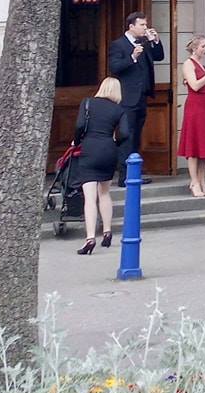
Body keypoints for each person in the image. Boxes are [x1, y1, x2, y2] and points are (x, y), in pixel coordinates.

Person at [71, 75, 129, 255]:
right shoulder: (118, 110)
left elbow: (80, 125)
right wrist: (114, 143)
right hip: (108, 150)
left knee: (90, 197)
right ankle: (107, 231)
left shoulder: (87, 103)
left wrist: (77, 141)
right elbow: (125, 133)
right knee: (104, 192)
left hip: (90, 148)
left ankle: (89, 238)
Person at [107, 13, 166, 157]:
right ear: (131, 26)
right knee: (127, 135)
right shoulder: (118, 44)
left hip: (142, 97)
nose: (145, 28)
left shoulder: (144, 42)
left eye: (146, 25)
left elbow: (159, 56)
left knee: (138, 136)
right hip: (127, 98)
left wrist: (156, 41)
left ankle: (135, 173)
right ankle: (125, 176)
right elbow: (114, 67)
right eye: (142, 25)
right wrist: (132, 57)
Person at [177, 36, 205, 197]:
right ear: (194, 48)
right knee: (194, 146)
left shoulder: (201, 65)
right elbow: (195, 85)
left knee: (204, 145)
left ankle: (202, 181)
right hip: (195, 107)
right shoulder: (188, 64)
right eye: (203, 46)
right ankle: (194, 182)